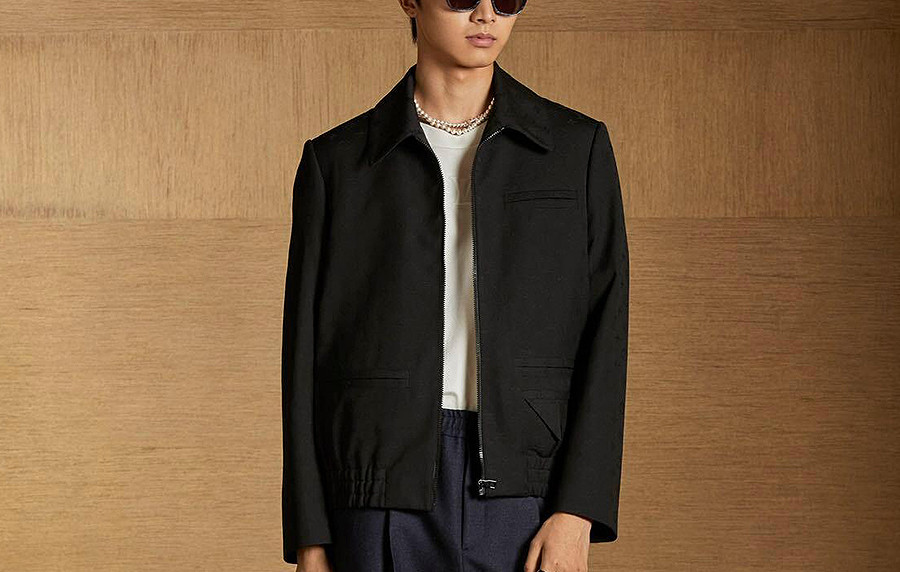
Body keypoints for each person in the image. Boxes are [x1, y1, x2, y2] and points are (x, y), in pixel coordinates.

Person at [281, 0, 629, 570]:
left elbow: (605, 332)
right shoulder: (338, 163)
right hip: (376, 488)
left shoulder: (575, 150)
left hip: (525, 490)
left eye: (508, 0)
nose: (487, 14)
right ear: (409, 1)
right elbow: (304, 356)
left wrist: (578, 509)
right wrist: (310, 536)